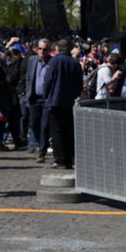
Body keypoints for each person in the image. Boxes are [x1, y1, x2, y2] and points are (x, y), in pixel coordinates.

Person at [43, 37, 84, 169]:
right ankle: (68, 158)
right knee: (68, 131)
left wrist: (46, 95)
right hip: (69, 101)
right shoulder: (75, 63)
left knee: (57, 131)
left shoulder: (54, 61)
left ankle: (60, 159)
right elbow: (79, 84)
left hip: (55, 100)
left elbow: (48, 80)